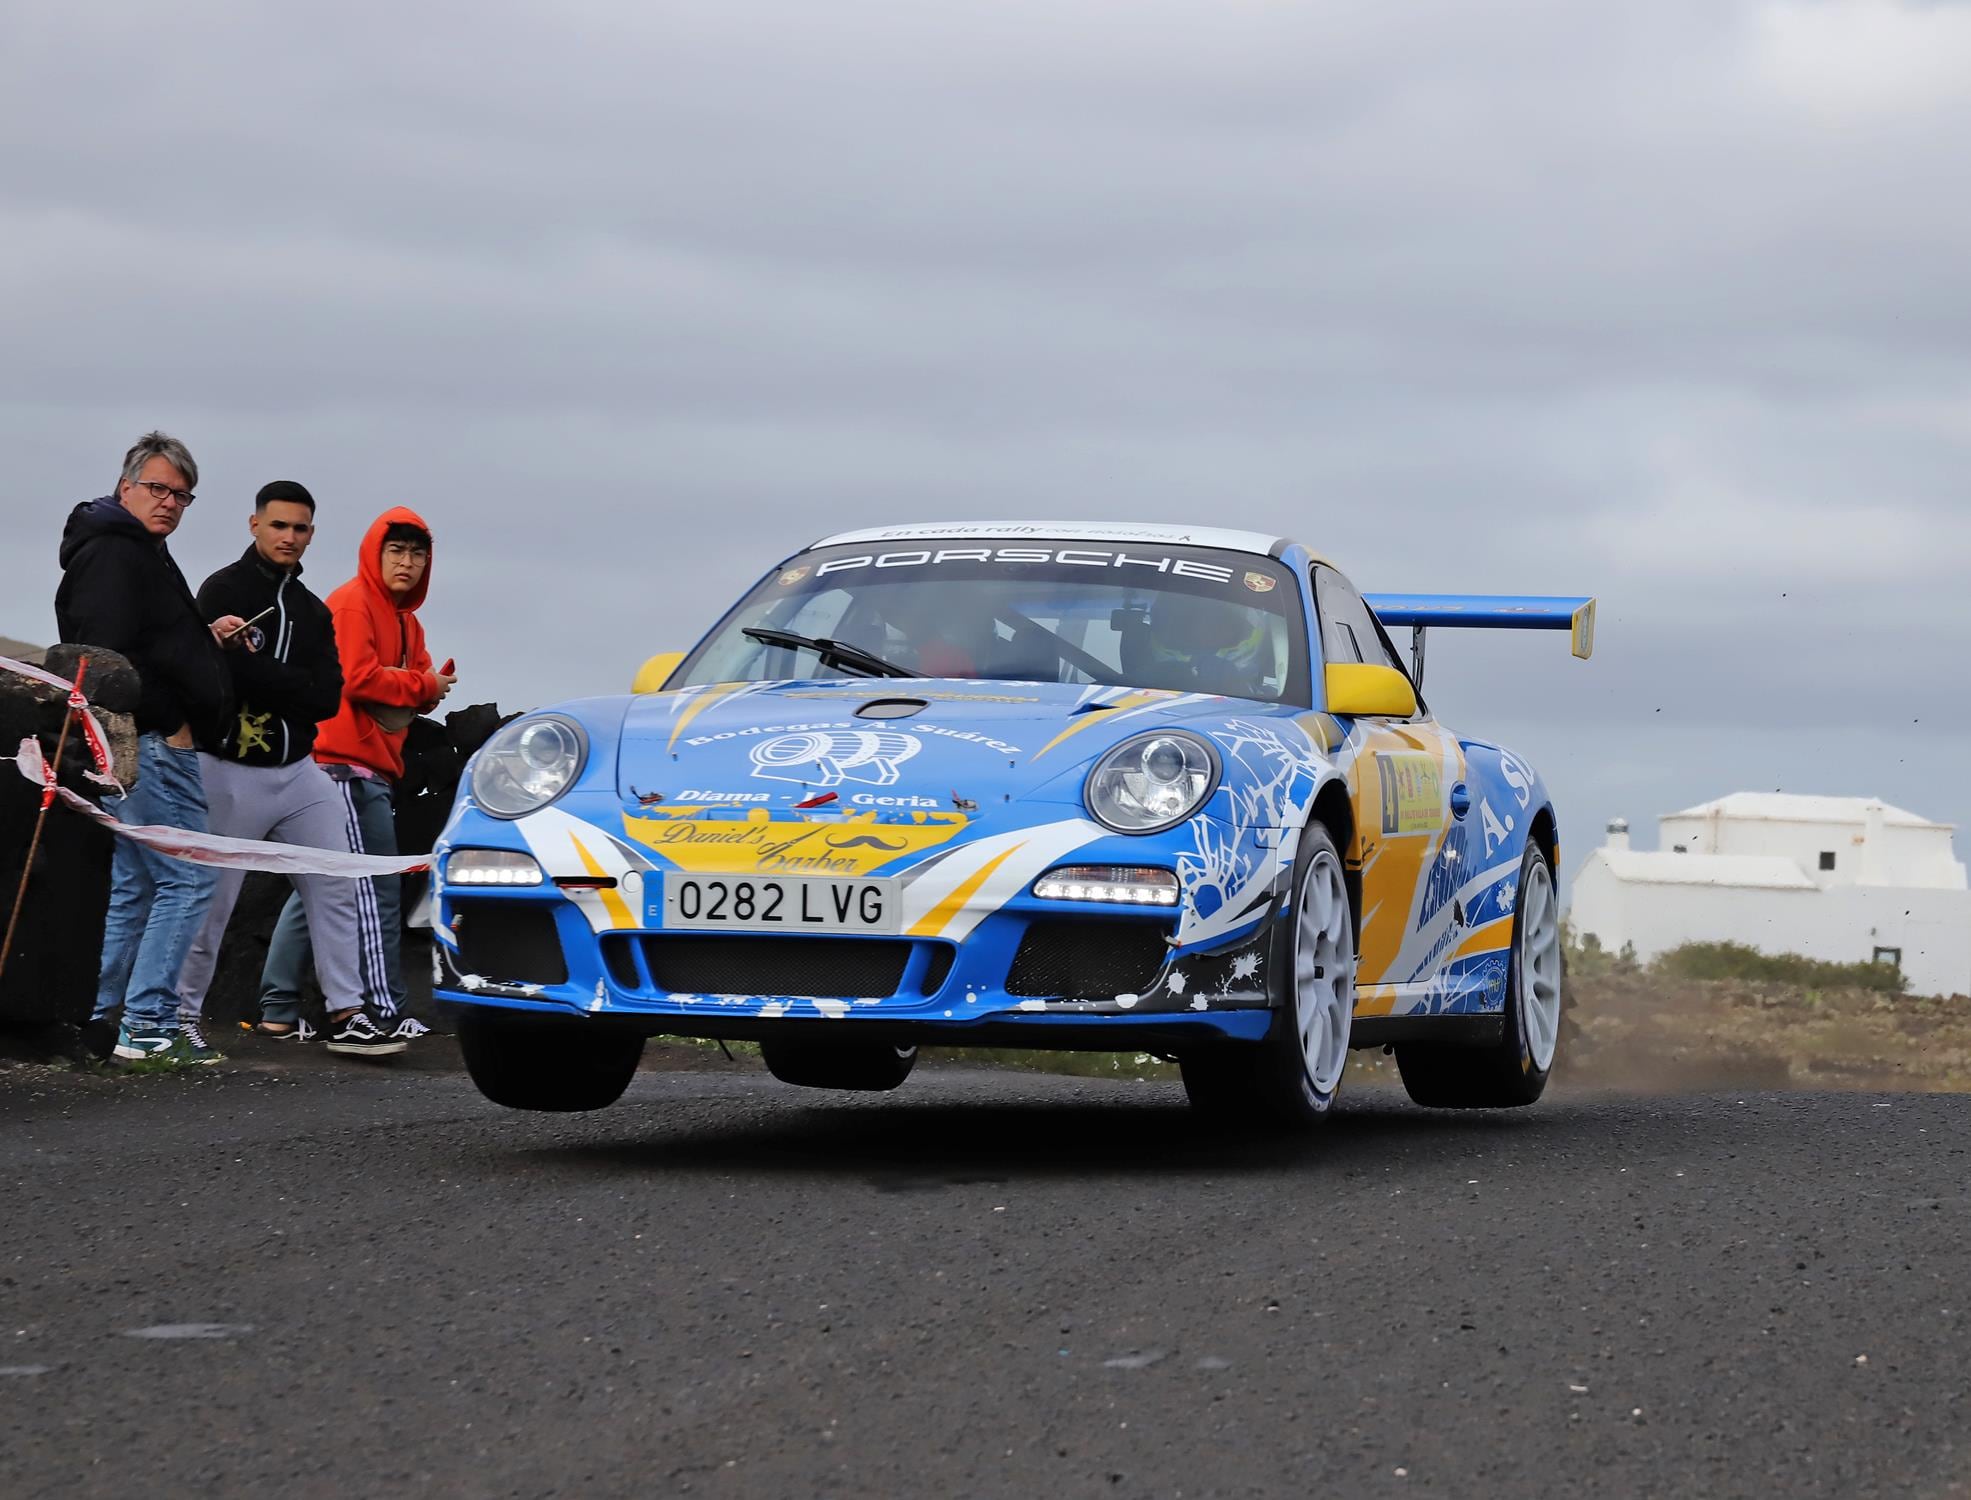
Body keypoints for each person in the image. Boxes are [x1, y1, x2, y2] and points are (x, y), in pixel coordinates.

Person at [172, 481, 407, 1057]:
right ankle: (178, 1017)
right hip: (226, 767)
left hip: (300, 770)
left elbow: (328, 697)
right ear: (255, 525)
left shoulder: (311, 608)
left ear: (311, 534)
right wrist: (278, 682)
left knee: (337, 880)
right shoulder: (223, 588)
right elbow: (211, 674)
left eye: (300, 528)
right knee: (213, 900)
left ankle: (348, 1012)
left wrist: (257, 672)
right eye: (279, 526)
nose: (289, 538)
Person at [53, 432, 246, 1064]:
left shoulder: (136, 550)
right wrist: (170, 719)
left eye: (182, 495)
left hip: (139, 743)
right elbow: (108, 654)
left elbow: (145, 639)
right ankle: (149, 1024)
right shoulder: (118, 553)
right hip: (153, 742)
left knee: (138, 883)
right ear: (126, 483)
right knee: (188, 877)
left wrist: (201, 639)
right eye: (158, 488)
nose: (169, 502)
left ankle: (101, 1018)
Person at [261, 507, 452, 1033]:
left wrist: (424, 686)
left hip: (368, 767)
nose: (407, 563)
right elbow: (362, 680)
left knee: (321, 888)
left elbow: (417, 685)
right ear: (376, 553)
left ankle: (277, 1011)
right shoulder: (351, 605)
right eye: (397, 551)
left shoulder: (407, 622)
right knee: (373, 886)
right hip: (342, 766)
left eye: (417, 554)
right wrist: (424, 686)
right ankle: (381, 1008)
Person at [1142, 591, 1273, 697]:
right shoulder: (1141, 681)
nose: (1195, 630)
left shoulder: (1272, 704)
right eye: (1183, 622)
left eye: (1219, 622)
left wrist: (1236, 686)